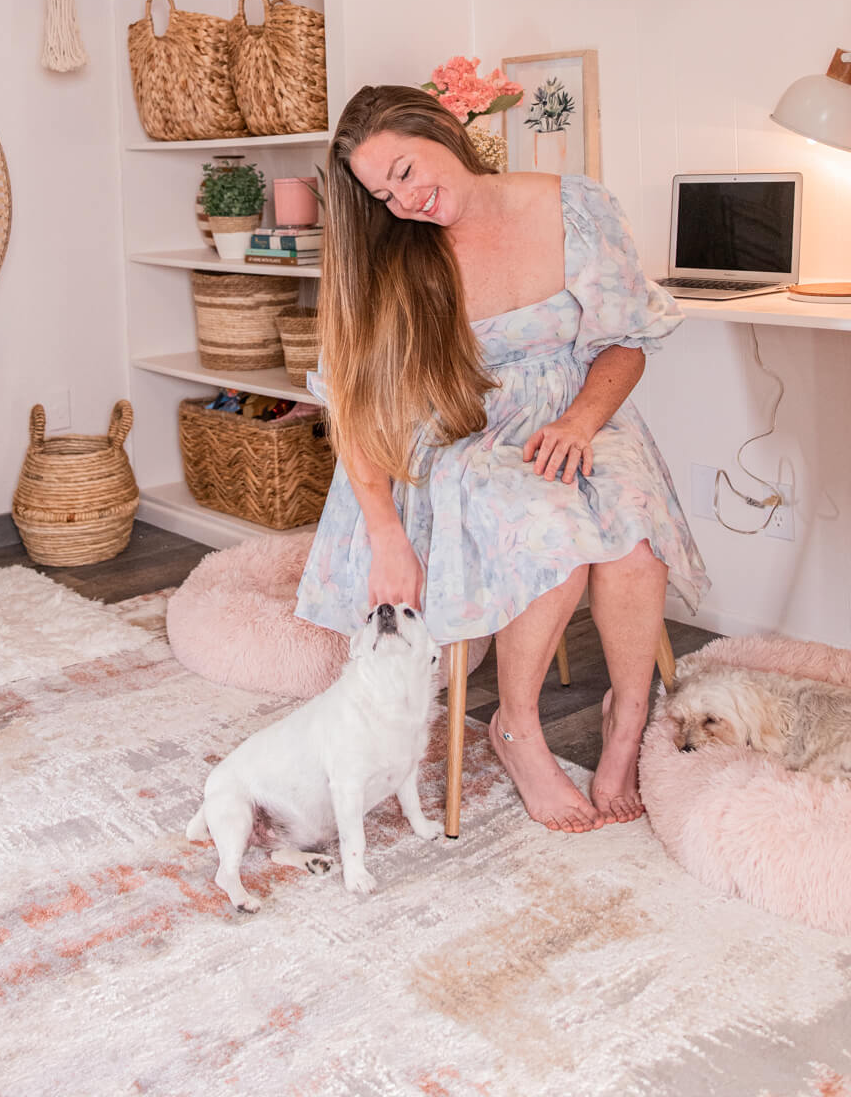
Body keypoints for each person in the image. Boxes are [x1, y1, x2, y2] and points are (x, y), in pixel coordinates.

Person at [295, 84, 707, 832]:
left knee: (635, 534)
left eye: (408, 172)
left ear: (444, 131)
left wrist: (582, 422)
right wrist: (386, 533)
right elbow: (354, 406)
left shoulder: (574, 207)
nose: (404, 202)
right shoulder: (391, 255)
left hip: (580, 413)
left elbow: (624, 340)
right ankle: (516, 727)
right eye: (384, 193)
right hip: (461, 434)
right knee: (552, 536)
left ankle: (627, 716)